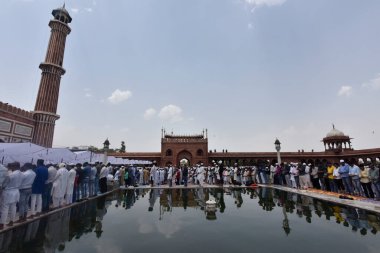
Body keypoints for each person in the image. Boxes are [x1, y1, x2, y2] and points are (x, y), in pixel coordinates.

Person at [0, 162, 23, 229]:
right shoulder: (22, 174)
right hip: (16, 191)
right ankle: (11, 221)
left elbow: (4, 184)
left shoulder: (11, 175)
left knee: (4, 208)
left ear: (14, 167)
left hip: (8, 192)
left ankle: (1, 224)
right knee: (13, 207)